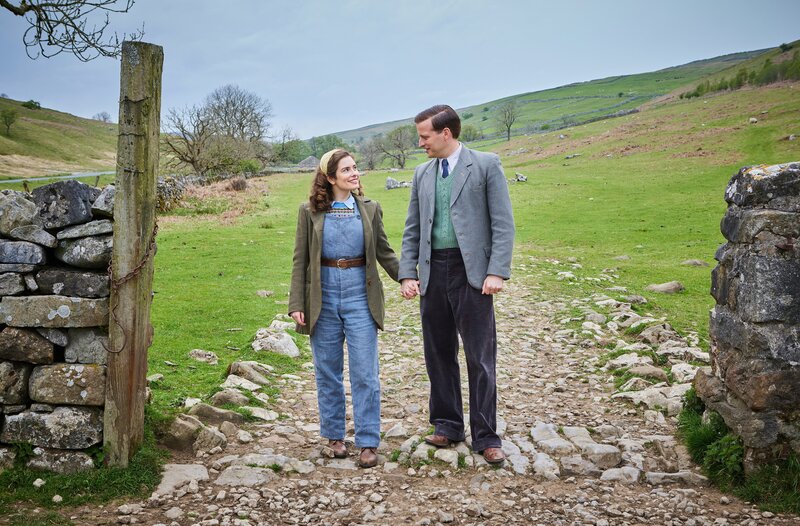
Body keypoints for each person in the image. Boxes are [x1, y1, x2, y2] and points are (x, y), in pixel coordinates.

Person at [399, 105, 515, 464]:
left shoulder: (486, 164)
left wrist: (496, 271)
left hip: (474, 274)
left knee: (480, 357)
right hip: (434, 272)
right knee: (438, 353)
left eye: (425, 136)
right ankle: (447, 425)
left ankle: (486, 435)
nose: (421, 143)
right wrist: (407, 272)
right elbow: (413, 228)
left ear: (445, 133)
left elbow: (503, 223)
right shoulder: (421, 173)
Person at [289, 148, 400, 468]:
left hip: (360, 299)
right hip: (322, 300)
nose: (355, 173)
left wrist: (409, 277)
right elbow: (300, 259)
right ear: (330, 177)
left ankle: (368, 442)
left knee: (366, 373)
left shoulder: (370, 208)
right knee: (328, 373)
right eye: (347, 169)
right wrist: (297, 302)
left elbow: (385, 253)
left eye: (356, 168)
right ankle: (335, 437)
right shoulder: (308, 211)